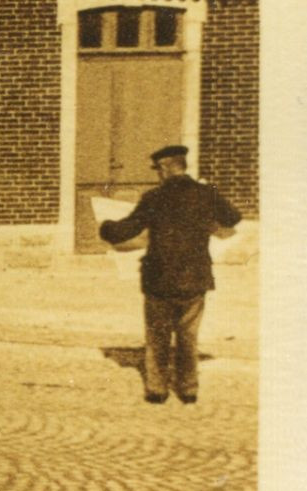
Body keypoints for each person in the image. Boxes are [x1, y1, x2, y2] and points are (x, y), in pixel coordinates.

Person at [99, 144, 241, 405]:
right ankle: (188, 390)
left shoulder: (154, 197)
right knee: (188, 337)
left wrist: (106, 228)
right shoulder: (205, 193)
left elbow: (126, 230)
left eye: (158, 170)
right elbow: (233, 217)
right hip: (195, 278)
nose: (158, 175)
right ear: (183, 166)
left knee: (157, 336)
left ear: (164, 169)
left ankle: (157, 389)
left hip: (159, 279)